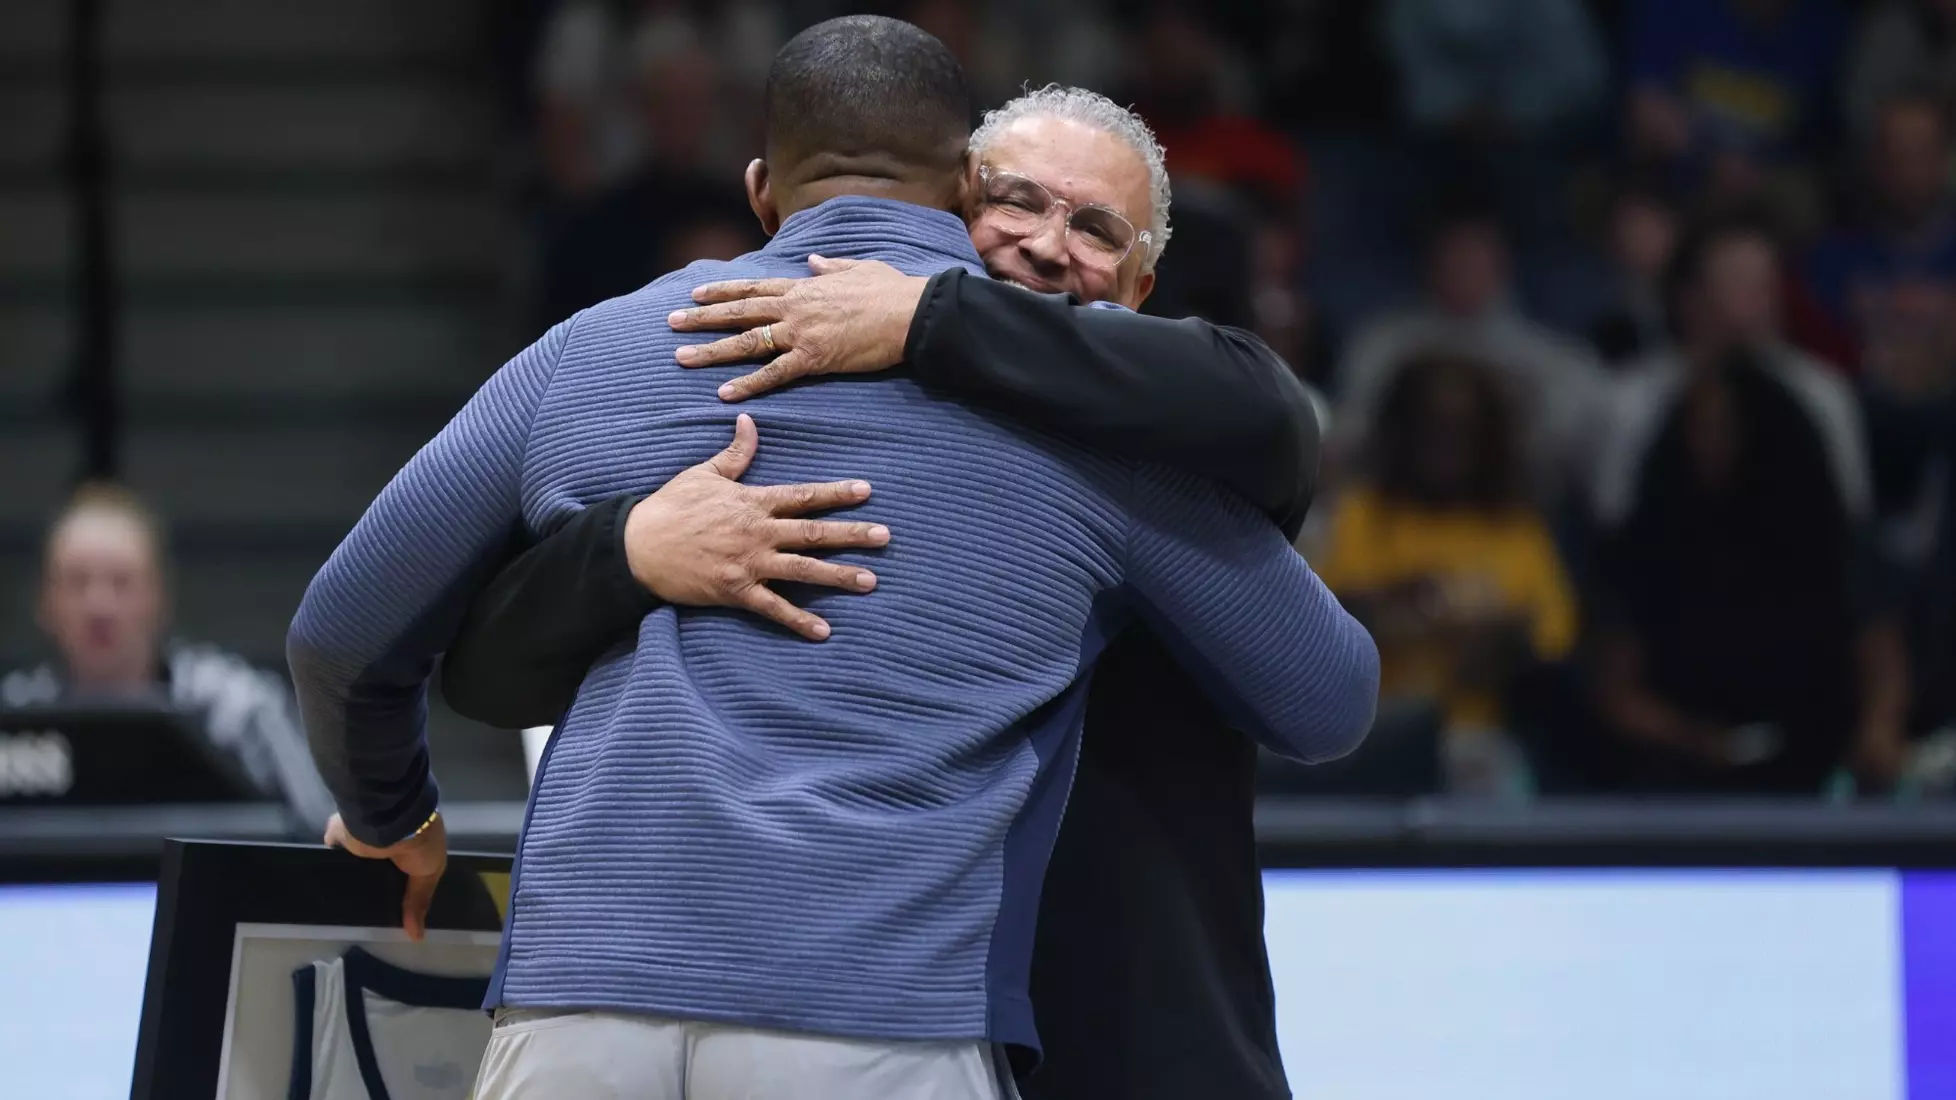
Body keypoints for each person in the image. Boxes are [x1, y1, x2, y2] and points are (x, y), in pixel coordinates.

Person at [288, 19, 1378, 1100]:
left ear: (762, 188)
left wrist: (396, 814)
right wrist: (621, 552)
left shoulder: (588, 349)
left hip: (577, 1005)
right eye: (1019, 204)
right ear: (961, 192)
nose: (1046, 248)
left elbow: (342, 632)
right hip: (876, 1005)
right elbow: (1328, 696)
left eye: (1094, 228)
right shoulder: (1103, 449)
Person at [1590, 218, 1910, 792]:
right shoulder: (1632, 405)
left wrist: (1878, 726)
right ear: (1688, 297)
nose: (1754, 303)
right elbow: (1616, 557)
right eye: (1735, 283)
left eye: (1765, 284)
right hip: (1679, 676)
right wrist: (1689, 737)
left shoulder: (1820, 396)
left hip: (1807, 685)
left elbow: (1859, 572)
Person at [1314, 352, 1578, 798]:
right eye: (1432, 428)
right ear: (1404, 432)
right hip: (1374, 742)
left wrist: (1499, 642)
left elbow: (1553, 644)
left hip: (1480, 743)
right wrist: (1391, 605)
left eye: (1462, 430)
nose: (1446, 445)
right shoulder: (1360, 517)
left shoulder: (1517, 531)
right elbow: (1318, 628)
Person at [2, 483, 333, 831]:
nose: (99, 605)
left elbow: (318, 834)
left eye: (121, 581)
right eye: (77, 582)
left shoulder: (240, 712)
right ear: (44, 602)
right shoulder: (12, 718)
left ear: (158, 597)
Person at [1333, 207, 1605, 503]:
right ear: (1431, 260)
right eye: (1454, 252)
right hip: (1397, 517)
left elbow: (1572, 452)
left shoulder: (1556, 361)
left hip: (1512, 522)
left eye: (1476, 253)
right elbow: (1353, 437)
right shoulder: (1380, 346)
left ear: (1503, 261)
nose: (1464, 264)